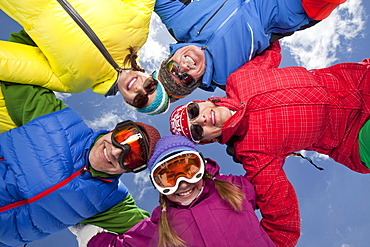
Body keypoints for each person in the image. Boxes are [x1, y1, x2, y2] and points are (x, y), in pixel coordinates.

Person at [168, 41, 370, 247]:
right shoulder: (253, 153)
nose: (200, 120)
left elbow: (267, 43)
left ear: (202, 102)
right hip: (355, 135)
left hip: (359, 79)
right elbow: (283, 224)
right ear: (209, 139)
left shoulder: (239, 79)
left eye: (192, 112)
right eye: (196, 130)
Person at [0, 80, 161, 246]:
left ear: (128, 170)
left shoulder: (112, 202)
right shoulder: (56, 118)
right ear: (114, 130)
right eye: (123, 138)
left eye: (131, 158)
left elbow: (159, 237)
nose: (115, 151)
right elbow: (13, 73)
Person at [69, 135, 275, 247]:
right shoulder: (163, 226)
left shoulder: (232, 188)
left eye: (189, 169)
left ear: (202, 167)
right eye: (169, 178)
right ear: (159, 187)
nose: (183, 183)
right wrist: (89, 235)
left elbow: (270, 184)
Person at [155, 0, 346, 102]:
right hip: (287, 7)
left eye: (173, 68)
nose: (183, 68)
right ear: (196, 82)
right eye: (185, 79)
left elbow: (144, 4)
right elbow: (266, 93)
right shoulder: (230, 78)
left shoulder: (179, 25)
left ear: (169, 58)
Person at [0, 0, 170, 115]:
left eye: (140, 100)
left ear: (128, 102)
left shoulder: (75, 82)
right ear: (150, 76)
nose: (141, 89)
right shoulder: (139, 32)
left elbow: (13, 63)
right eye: (150, 86)